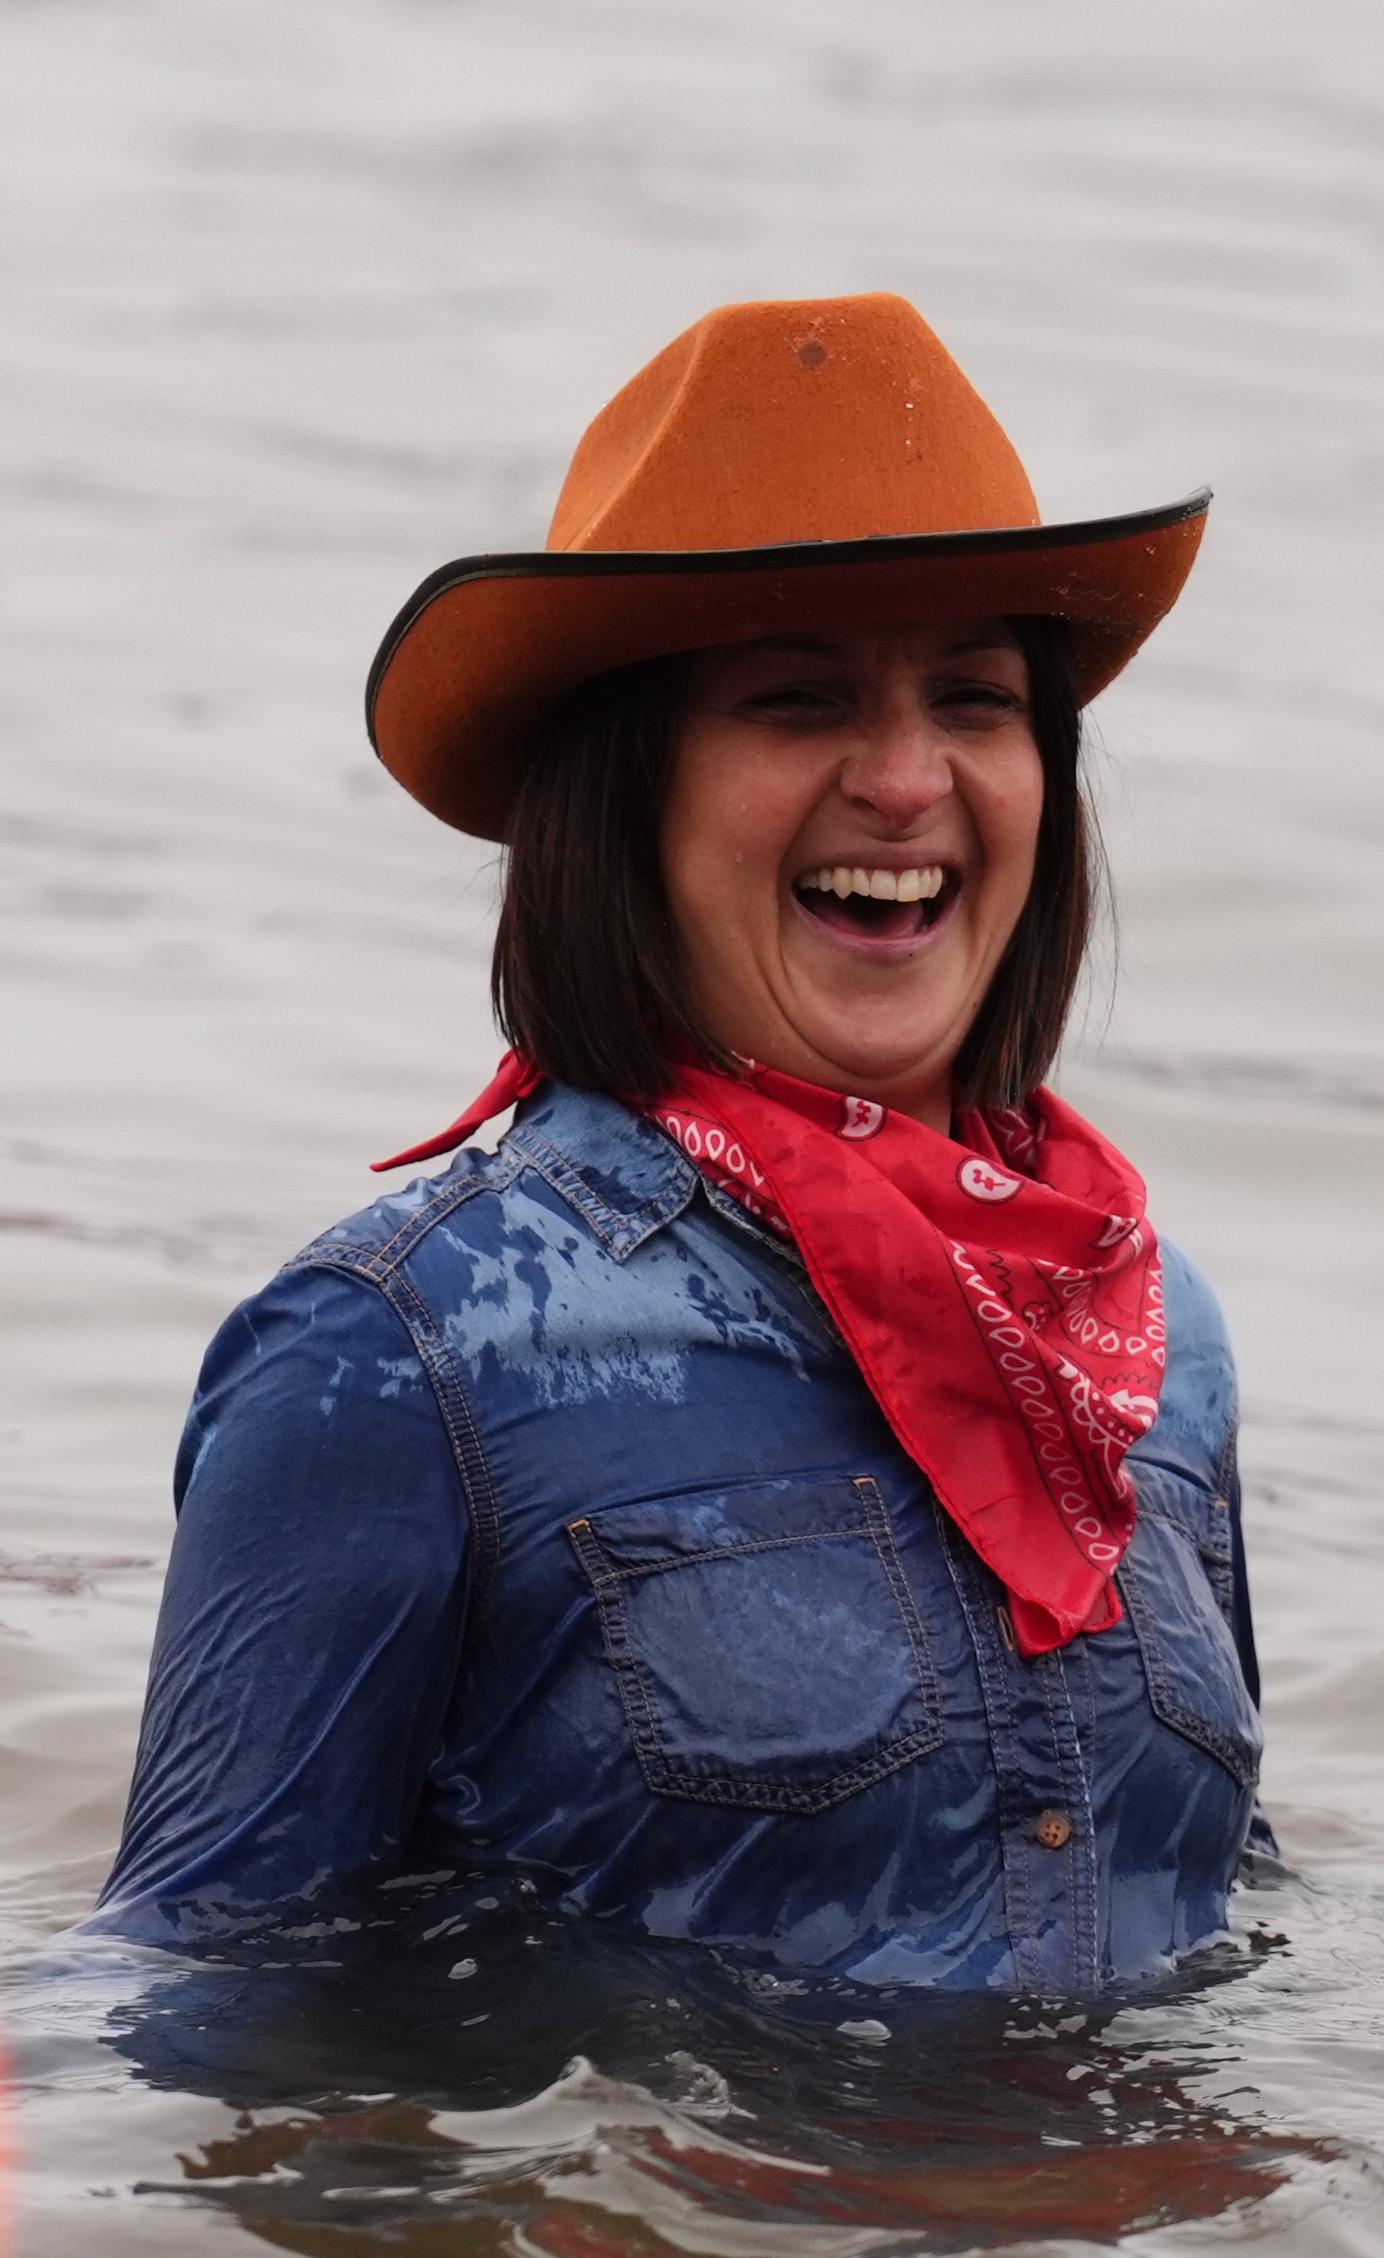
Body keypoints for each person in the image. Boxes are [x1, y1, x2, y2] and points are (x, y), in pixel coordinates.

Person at [94, 291, 1267, 1994]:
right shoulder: (396, 1361)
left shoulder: (1160, 1345)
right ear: (623, 802)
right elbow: (204, 2016)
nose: (904, 776)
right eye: (797, 702)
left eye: (977, 698)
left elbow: (1238, 1924)